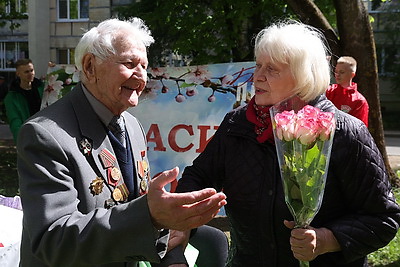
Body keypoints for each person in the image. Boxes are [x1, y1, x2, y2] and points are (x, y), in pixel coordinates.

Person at [175, 21, 400, 267]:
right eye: (259, 65)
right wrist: (182, 220)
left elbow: (383, 219)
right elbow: (197, 176)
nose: (257, 76)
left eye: (272, 69)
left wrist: (326, 239)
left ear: (304, 76)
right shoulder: (237, 124)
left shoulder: (346, 133)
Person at [17, 18, 226, 267]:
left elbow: (136, 207)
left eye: (144, 66)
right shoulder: (45, 134)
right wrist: (150, 215)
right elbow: (53, 240)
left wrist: (172, 254)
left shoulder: (132, 127)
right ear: (90, 66)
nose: (141, 76)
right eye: (129, 64)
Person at [4, 59, 44, 143]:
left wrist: (54, 69)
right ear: (18, 74)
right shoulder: (12, 97)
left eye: (32, 70)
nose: (30, 74)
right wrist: (22, 141)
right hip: (28, 137)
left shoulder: (43, 89)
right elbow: (15, 121)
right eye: (26, 72)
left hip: (45, 134)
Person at [326, 56, 369, 127]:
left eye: (342, 72)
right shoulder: (329, 91)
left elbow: (360, 128)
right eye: (336, 71)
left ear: (352, 75)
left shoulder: (359, 101)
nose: (337, 75)